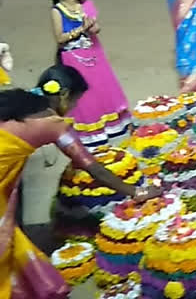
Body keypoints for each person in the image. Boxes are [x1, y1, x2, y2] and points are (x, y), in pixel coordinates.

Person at [0, 65, 160, 299]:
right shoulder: (52, 123)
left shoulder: (22, 101)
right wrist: (137, 191)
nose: (74, 108)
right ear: (64, 95)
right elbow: (90, 165)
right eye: (75, 101)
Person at [48, 0, 132, 145]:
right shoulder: (58, 11)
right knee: (83, 93)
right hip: (73, 58)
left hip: (94, 54)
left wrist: (91, 26)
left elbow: (96, 29)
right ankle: (89, 132)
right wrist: (81, 29)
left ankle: (112, 126)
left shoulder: (87, 5)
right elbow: (60, 38)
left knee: (102, 86)